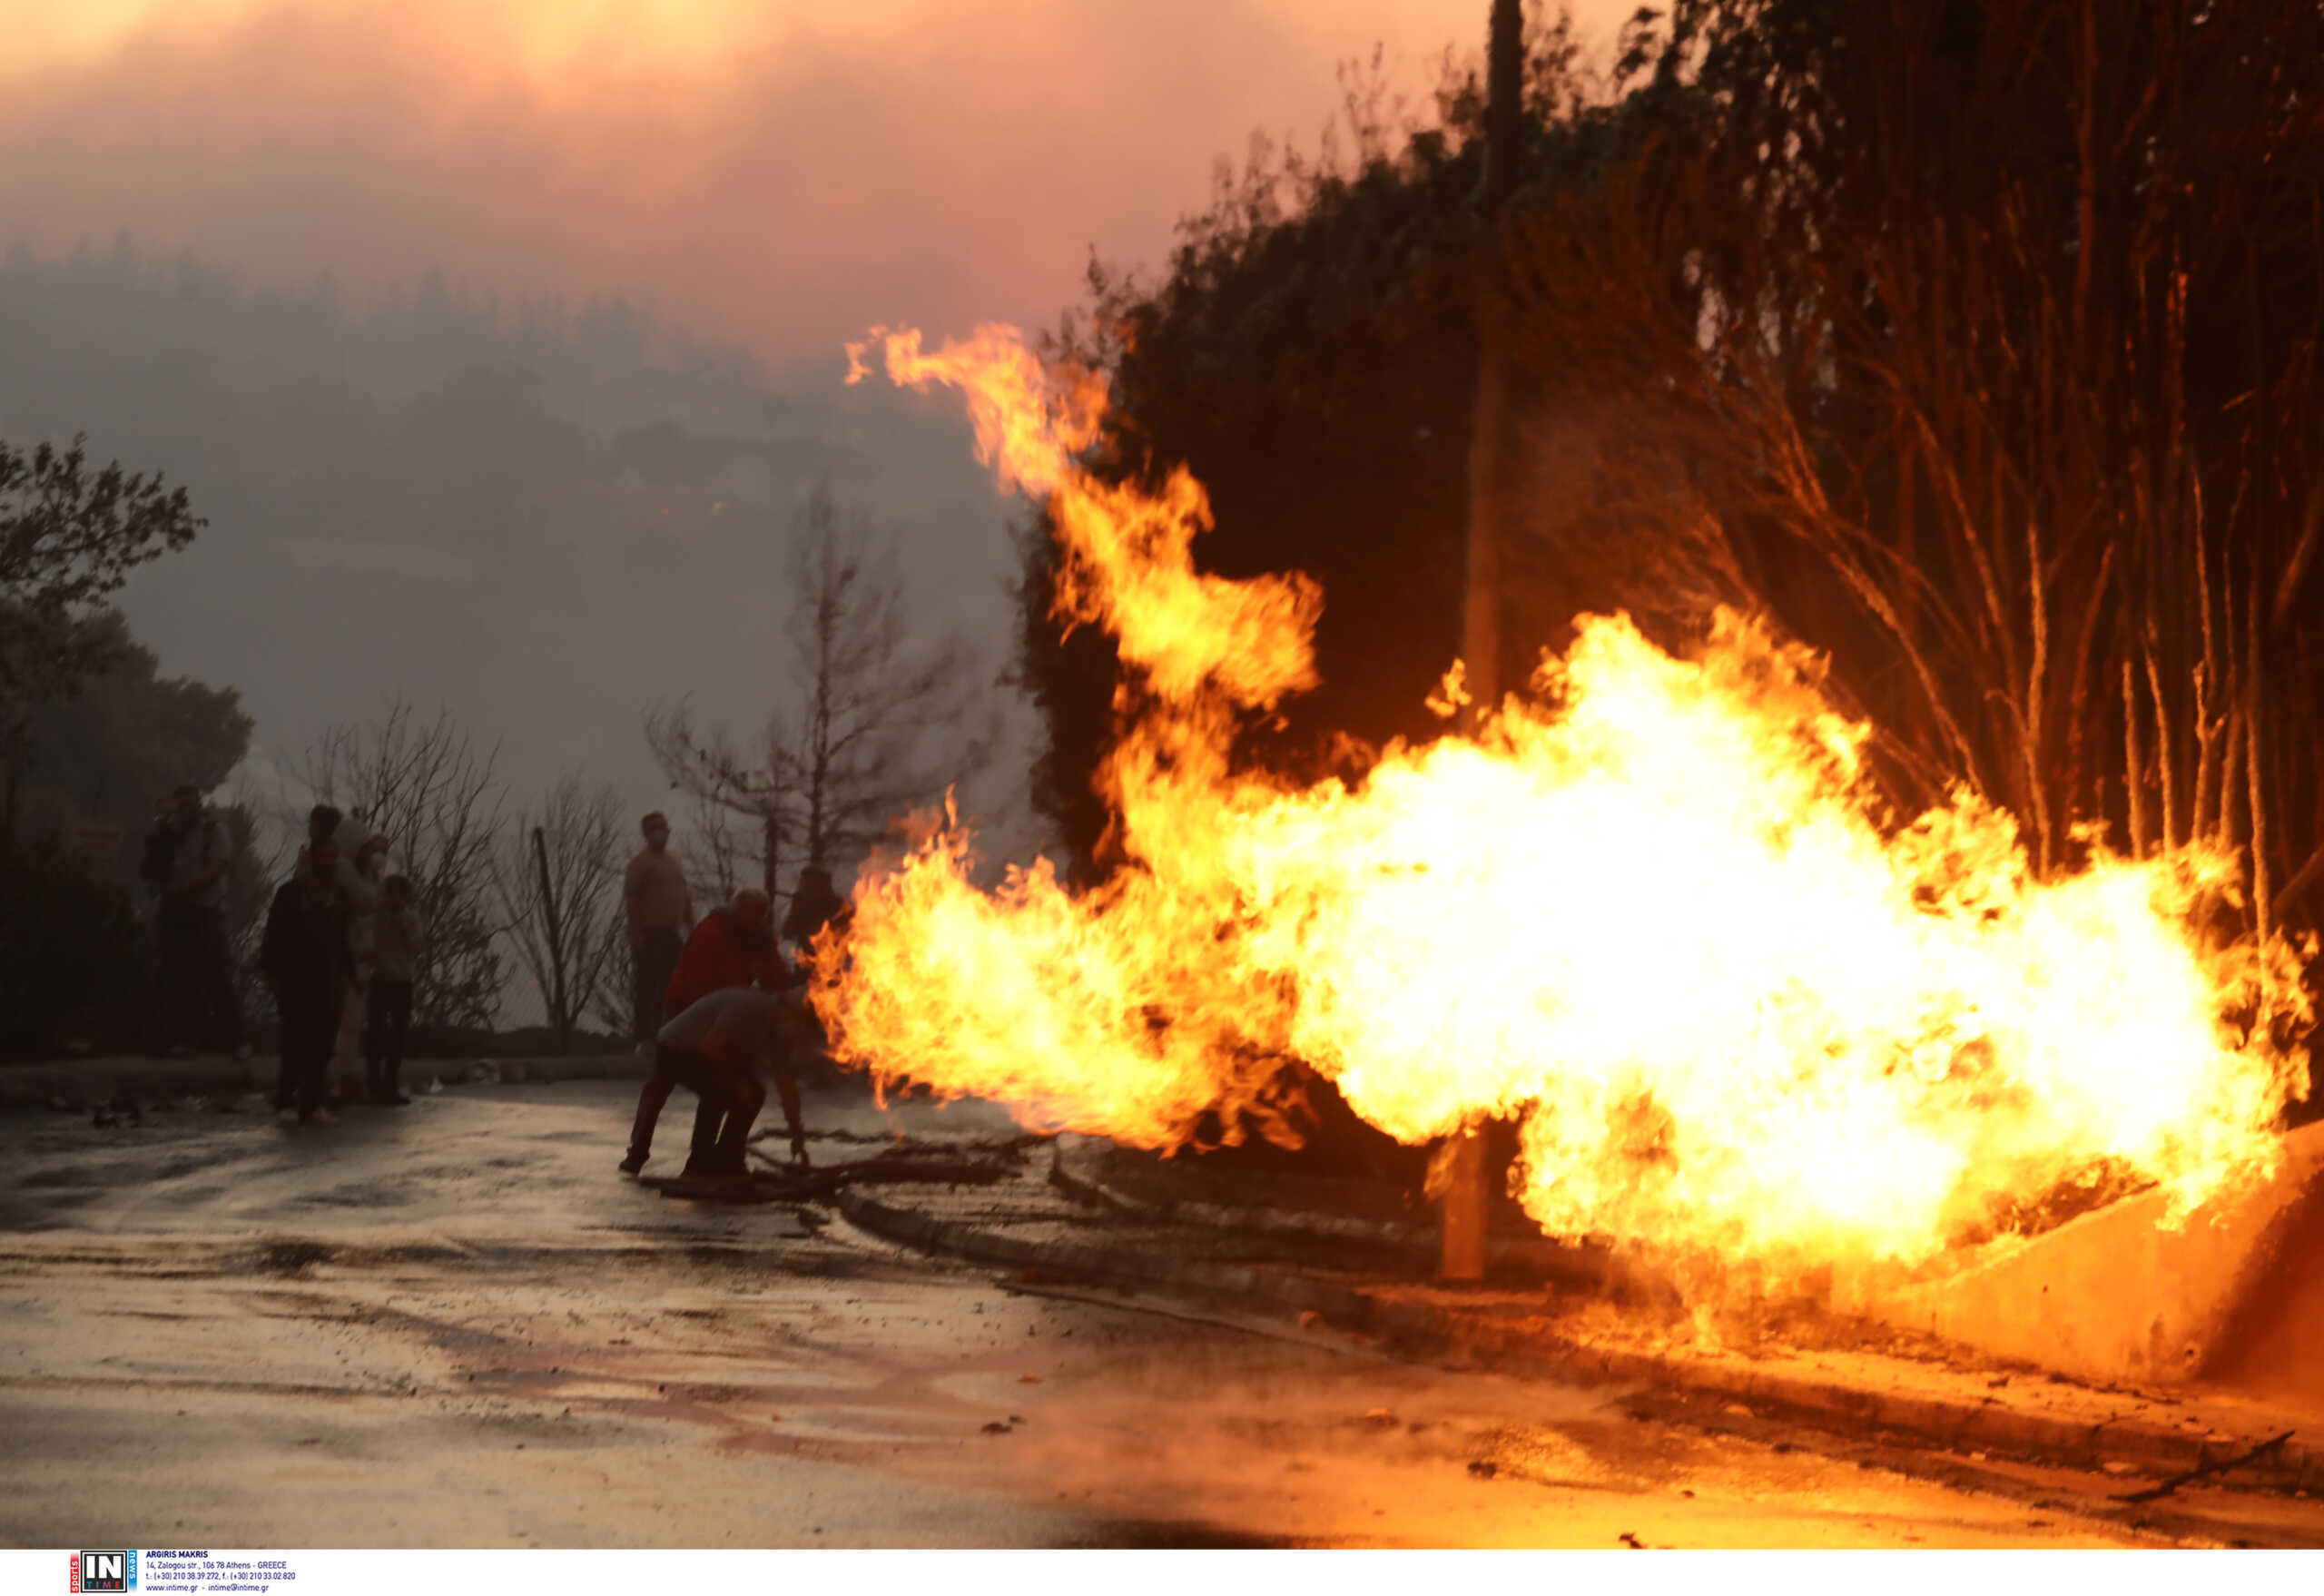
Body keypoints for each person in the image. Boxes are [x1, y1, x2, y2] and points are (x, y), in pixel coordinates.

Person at [622, 886, 795, 1174]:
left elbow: (775, 980)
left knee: (728, 1089)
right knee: (662, 1085)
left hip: (727, 1015)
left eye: (760, 914)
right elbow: (696, 984)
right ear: (738, 910)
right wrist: (716, 1019)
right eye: (751, 912)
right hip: (690, 1009)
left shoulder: (761, 941)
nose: (756, 919)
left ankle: (716, 1160)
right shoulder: (712, 932)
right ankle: (638, 1152)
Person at [630, 985, 808, 1180]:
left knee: (754, 1092)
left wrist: (797, 1134)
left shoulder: (778, 1032)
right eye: (796, 1020)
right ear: (784, 1009)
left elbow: (787, 1086)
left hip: (708, 1053)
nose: (796, 1028)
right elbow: (711, 1048)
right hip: (675, 1048)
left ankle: (728, 1159)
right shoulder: (749, 1008)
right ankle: (699, 1164)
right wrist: (737, 1083)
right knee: (720, 1092)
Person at [140, 785, 248, 1060]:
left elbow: (216, 869)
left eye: (191, 805)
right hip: (175, 911)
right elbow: (150, 868)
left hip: (207, 909)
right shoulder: (166, 833)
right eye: (182, 806)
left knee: (218, 974)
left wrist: (182, 888)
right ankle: (186, 1038)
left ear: (199, 805)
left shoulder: (214, 831)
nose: (187, 812)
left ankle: (235, 1040)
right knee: (180, 977)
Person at [261, 807, 353, 1128]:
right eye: (324, 856)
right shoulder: (291, 894)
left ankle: (311, 1104)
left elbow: (342, 938)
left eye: (333, 857)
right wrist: (271, 972)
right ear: (313, 858)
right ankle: (286, 1099)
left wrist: (350, 974)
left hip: (327, 980)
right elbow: (274, 933)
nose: (328, 862)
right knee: (294, 1041)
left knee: (321, 1044)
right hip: (295, 977)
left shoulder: (339, 896)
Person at [623, 813, 692, 1049]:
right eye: (654, 828)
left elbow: (684, 895)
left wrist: (690, 925)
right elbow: (631, 901)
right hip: (650, 934)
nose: (660, 832)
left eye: (663, 827)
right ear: (645, 833)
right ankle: (644, 1038)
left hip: (672, 934)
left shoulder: (673, 862)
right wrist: (635, 934)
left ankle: (669, 1034)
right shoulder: (641, 864)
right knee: (647, 987)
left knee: (672, 986)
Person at [366, 873, 424, 1106]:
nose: (395, 899)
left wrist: (404, 928)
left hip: (402, 981)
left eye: (400, 894)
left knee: (398, 1035)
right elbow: (368, 942)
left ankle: (390, 1084)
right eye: (391, 893)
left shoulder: (412, 918)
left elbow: (418, 946)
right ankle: (373, 1085)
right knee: (376, 1035)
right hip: (380, 980)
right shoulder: (377, 917)